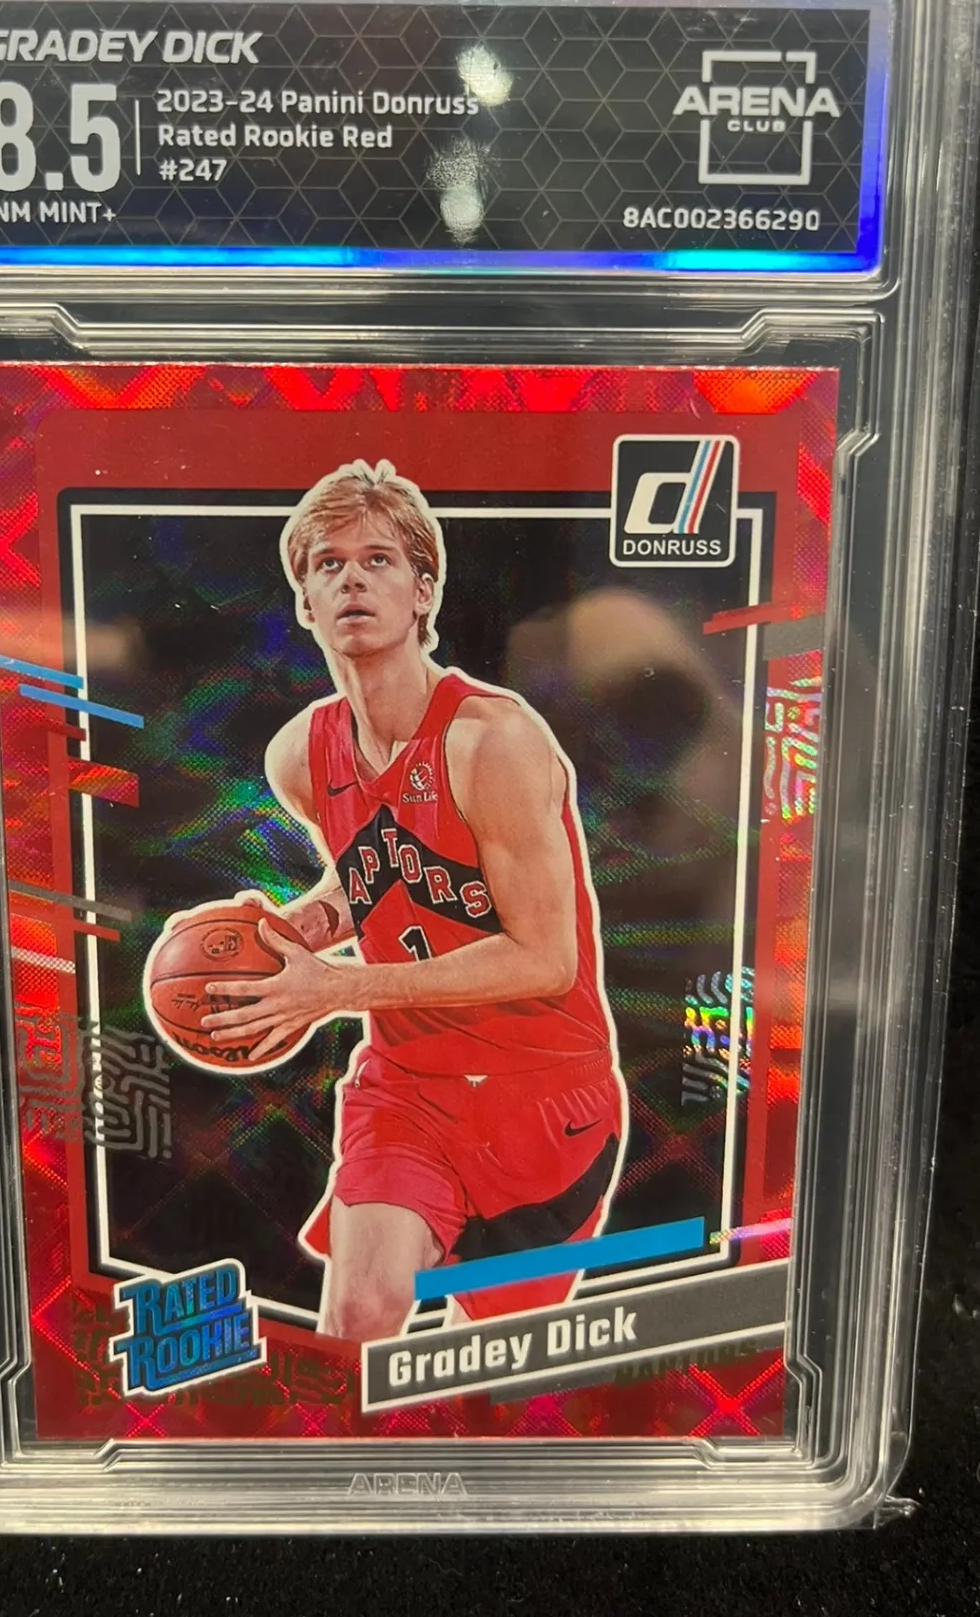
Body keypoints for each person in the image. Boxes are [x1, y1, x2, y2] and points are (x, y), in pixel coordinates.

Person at [197, 459, 625, 1341]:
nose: (352, 579)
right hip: (408, 1088)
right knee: (359, 1315)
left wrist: (339, 988)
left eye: (379, 560)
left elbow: (545, 959)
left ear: (423, 593)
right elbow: (372, 875)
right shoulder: (299, 756)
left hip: (545, 1097)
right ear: (305, 603)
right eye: (328, 564)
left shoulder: (492, 741)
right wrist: (303, 924)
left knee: (495, 1366)